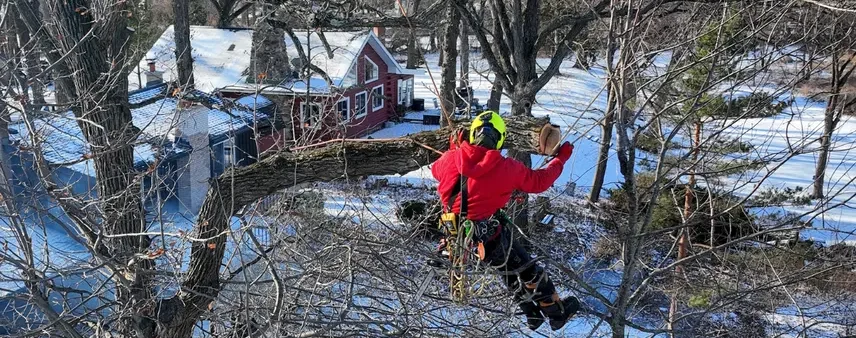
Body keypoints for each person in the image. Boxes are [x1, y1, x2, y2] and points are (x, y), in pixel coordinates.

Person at [430, 111, 580, 331]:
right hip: (486, 234)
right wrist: (561, 159)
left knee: (508, 270)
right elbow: (540, 181)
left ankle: (532, 314)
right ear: (499, 139)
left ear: (473, 134)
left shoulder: (450, 159)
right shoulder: (507, 167)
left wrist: (456, 150)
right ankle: (556, 313)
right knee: (527, 269)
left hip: (457, 235)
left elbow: (436, 171)